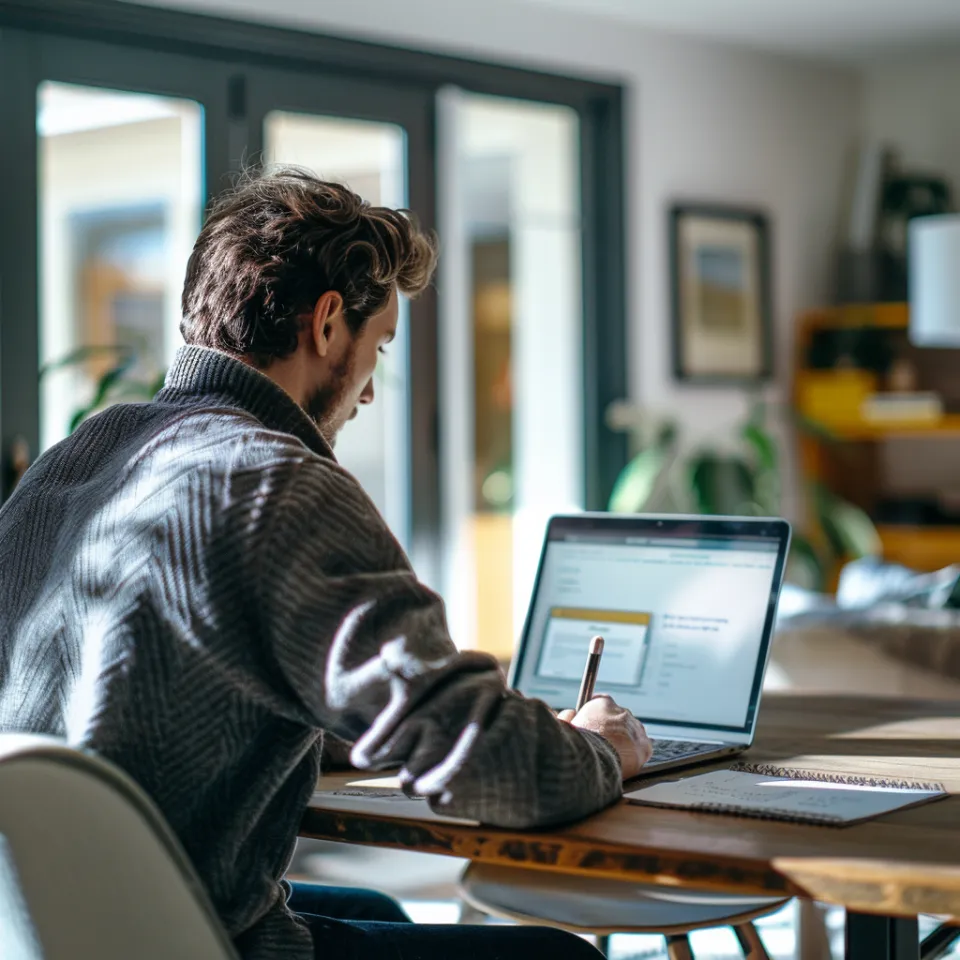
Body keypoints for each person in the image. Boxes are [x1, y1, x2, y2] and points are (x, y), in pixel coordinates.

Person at [0, 167, 652, 960]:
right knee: (560, 956)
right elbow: (491, 768)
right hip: (195, 939)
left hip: (57, 928)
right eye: (380, 346)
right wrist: (594, 747)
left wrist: (372, 723)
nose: (372, 391)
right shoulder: (277, 484)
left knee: (371, 904)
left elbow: (172, 702)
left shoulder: (75, 460)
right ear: (329, 324)